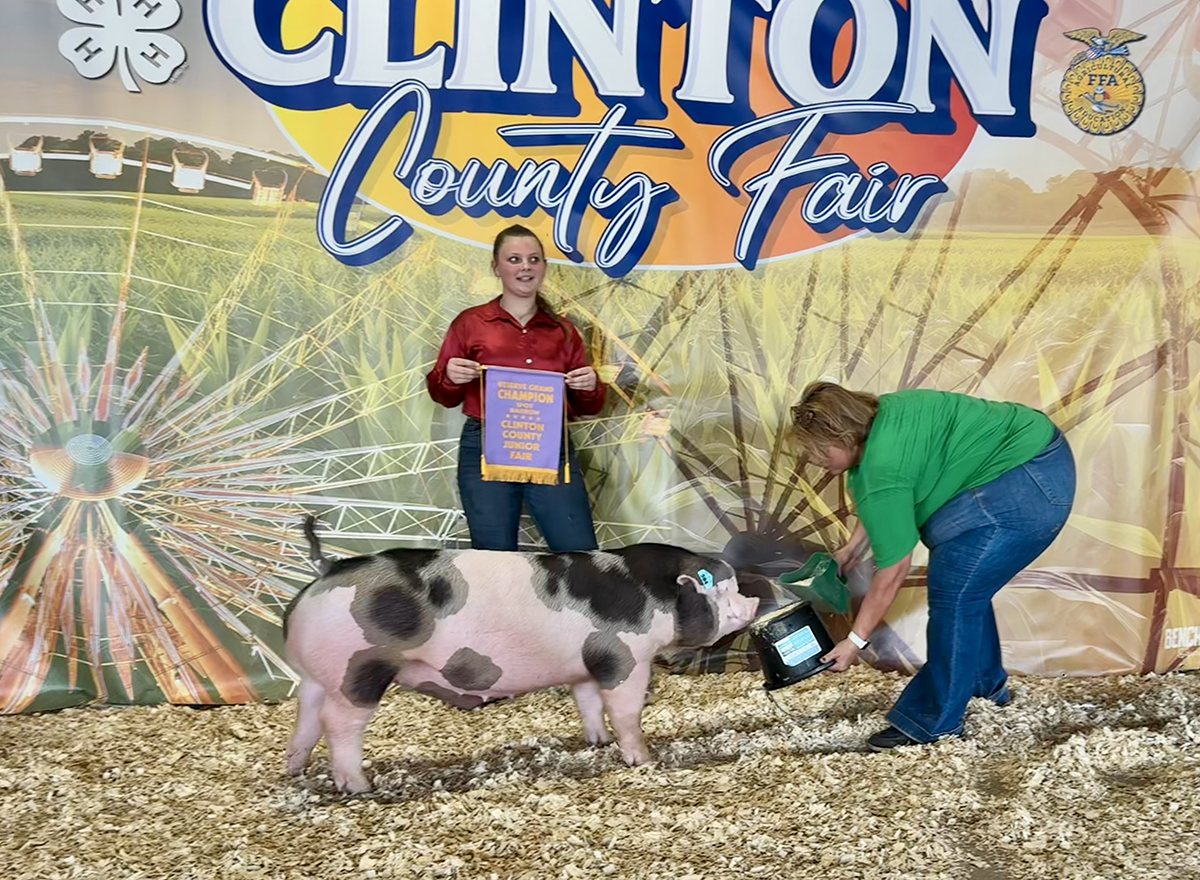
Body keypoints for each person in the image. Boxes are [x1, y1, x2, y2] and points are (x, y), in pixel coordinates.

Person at [790, 382, 1076, 751]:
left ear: (843, 436)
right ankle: (979, 682)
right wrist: (850, 550)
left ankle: (933, 721)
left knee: (955, 591)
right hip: (1041, 455)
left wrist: (854, 641)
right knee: (968, 584)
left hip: (1027, 483)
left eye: (817, 450)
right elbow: (887, 499)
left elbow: (892, 569)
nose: (813, 460)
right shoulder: (885, 416)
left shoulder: (881, 469)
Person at [426, 224, 606, 552]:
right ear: (496, 267)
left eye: (533, 259)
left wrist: (591, 385)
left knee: (579, 555)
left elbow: (588, 407)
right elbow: (444, 396)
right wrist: (449, 376)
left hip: (551, 445)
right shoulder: (470, 323)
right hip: (484, 446)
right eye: (514, 259)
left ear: (543, 268)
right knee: (493, 558)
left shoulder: (564, 331)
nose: (525, 266)